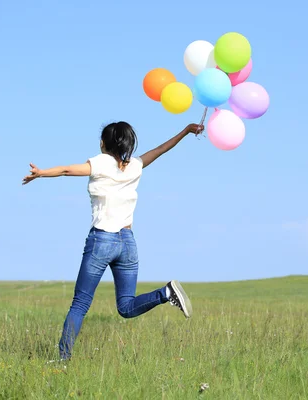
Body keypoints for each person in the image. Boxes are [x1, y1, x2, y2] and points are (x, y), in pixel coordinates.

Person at [22, 121, 203, 360]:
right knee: (126, 307)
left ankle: (62, 361)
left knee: (80, 304)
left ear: (104, 143)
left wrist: (42, 173)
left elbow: (67, 170)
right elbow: (159, 151)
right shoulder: (135, 166)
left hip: (102, 240)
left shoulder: (100, 162)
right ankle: (165, 293)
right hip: (128, 243)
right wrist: (185, 132)